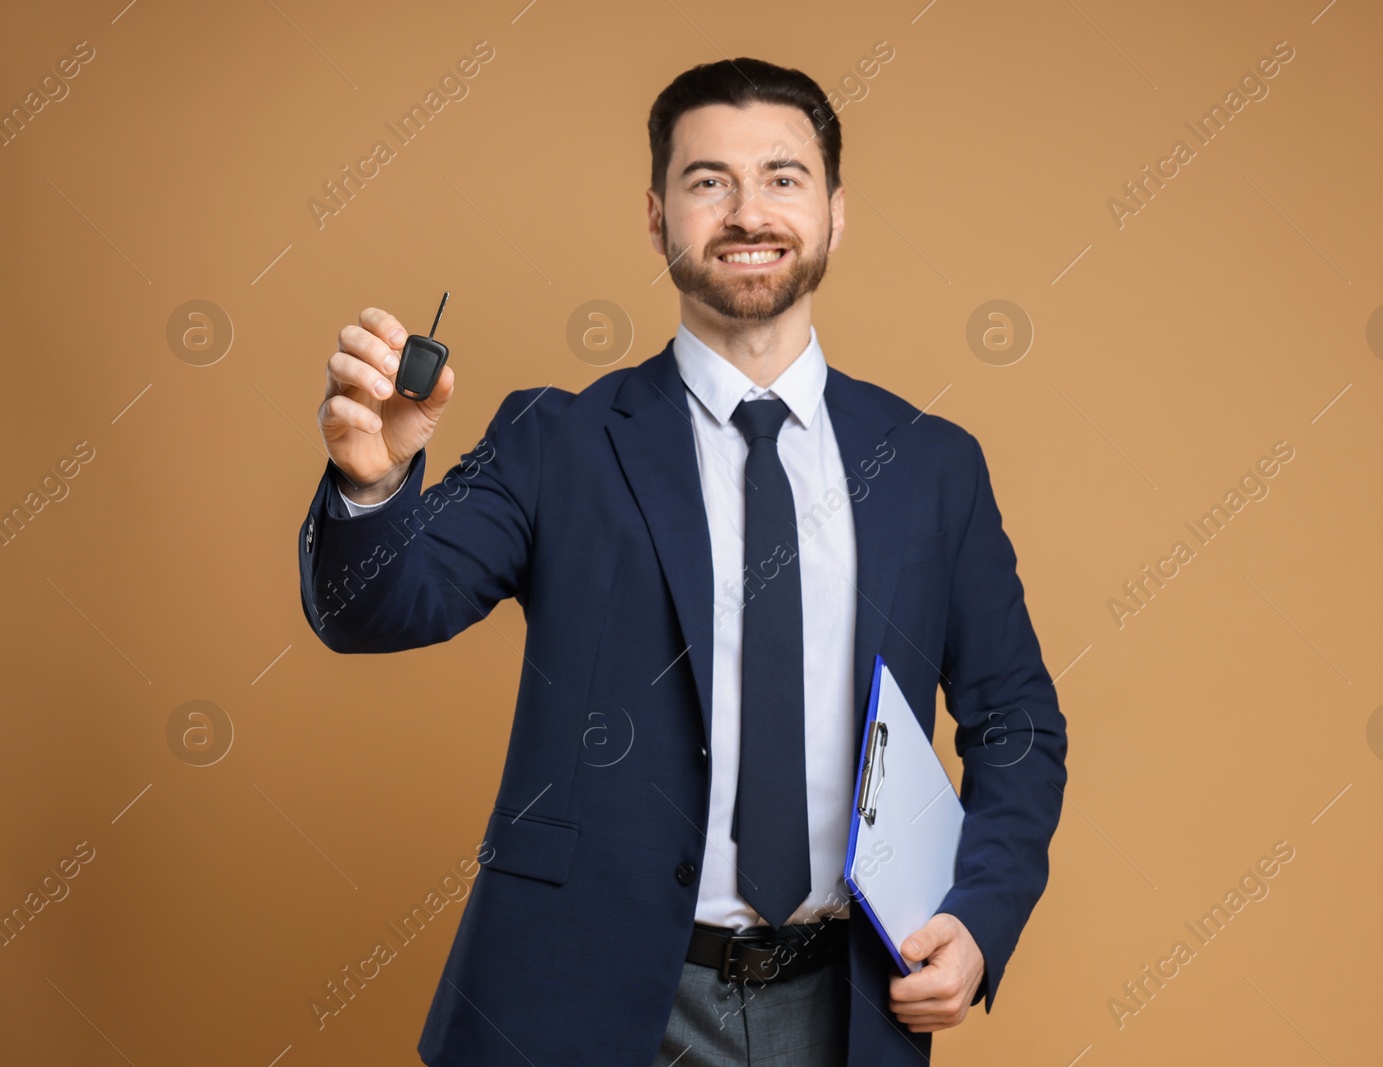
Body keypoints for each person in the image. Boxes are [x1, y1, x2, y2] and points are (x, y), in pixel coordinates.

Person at [299, 56, 1066, 1067]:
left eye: (783, 178)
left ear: (835, 212)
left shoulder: (931, 463)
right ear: (656, 216)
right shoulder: (554, 440)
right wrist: (370, 484)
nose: (749, 212)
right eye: (709, 181)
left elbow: (1016, 719)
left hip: (842, 1008)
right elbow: (375, 610)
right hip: (573, 1003)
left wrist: (979, 913)